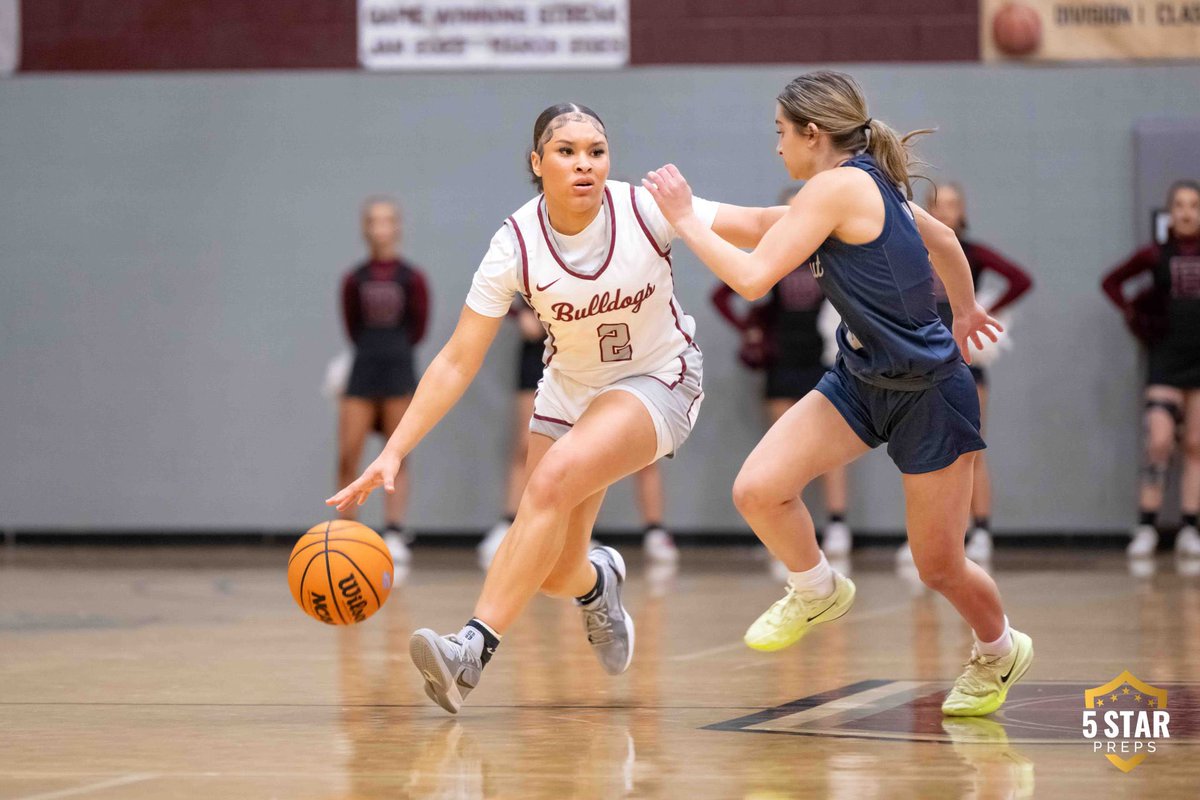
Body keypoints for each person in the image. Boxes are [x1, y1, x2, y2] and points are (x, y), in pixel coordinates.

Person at [329, 103, 785, 714]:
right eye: (566, 151)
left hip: (661, 378)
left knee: (545, 483)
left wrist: (861, 211)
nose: (584, 164)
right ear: (537, 162)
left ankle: (470, 651)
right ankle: (598, 584)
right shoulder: (514, 242)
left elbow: (759, 222)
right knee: (551, 571)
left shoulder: (646, 207)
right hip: (570, 392)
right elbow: (457, 360)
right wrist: (394, 449)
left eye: (596, 150)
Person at [642, 70, 1033, 717]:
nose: (776, 146)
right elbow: (768, 220)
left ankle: (999, 647)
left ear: (812, 133)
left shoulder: (838, 188)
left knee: (938, 567)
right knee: (758, 489)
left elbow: (750, 276)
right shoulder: (855, 187)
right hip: (858, 380)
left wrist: (684, 218)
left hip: (929, 393)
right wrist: (654, 206)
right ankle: (816, 586)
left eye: (780, 132)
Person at [478, 302, 681, 568]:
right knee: (528, 443)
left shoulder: (627, 270)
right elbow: (524, 317)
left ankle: (651, 531)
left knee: (623, 448)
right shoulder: (536, 265)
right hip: (544, 356)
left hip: (601, 356)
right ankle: (512, 524)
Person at [896, 182, 1033, 564]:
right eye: (937, 205)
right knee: (919, 448)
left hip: (963, 357)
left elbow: (1020, 279)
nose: (944, 212)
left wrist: (982, 309)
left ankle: (981, 532)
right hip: (921, 356)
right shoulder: (911, 248)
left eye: (953, 205)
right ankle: (922, 537)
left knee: (970, 450)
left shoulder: (971, 252)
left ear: (963, 212)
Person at [711, 185, 852, 558]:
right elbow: (722, 294)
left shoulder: (830, 251)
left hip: (824, 360)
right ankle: (788, 534)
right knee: (782, 452)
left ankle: (837, 524)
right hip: (782, 360)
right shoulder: (775, 254)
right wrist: (749, 329)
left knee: (829, 451)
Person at [1101, 179, 1200, 558]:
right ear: (1170, 213)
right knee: (1159, 440)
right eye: (1180, 205)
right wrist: (1135, 317)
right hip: (1166, 357)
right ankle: (1146, 526)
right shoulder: (1153, 255)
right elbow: (1111, 282)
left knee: (1193, 445)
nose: (1187, 212)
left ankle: (1190, 528)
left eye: (1194, 205)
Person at [337, 197, 429, 564]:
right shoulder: (353, 279)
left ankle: (393, 532)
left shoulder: (412, 278)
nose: (381, 228)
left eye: (387, 220)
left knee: (397, 455)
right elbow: (351, 325)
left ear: (397, 226)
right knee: (348, 454)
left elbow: (418, 327)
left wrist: (394, 353)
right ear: (365, 228)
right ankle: (346, 532)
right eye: (373, 221)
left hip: (399, 371)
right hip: (362, 371)